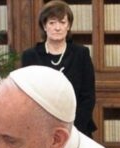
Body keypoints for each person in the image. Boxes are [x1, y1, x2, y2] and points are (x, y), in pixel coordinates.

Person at [20, 1, 96, 138]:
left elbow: (88, 97)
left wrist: (71, 130)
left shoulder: (81, 54)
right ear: (44, 26)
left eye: (62, 22)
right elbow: (27, 97)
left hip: (77, 128)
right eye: (52, 23)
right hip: (40, 130)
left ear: (68, 26)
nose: (57, 28)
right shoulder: (30, 56)